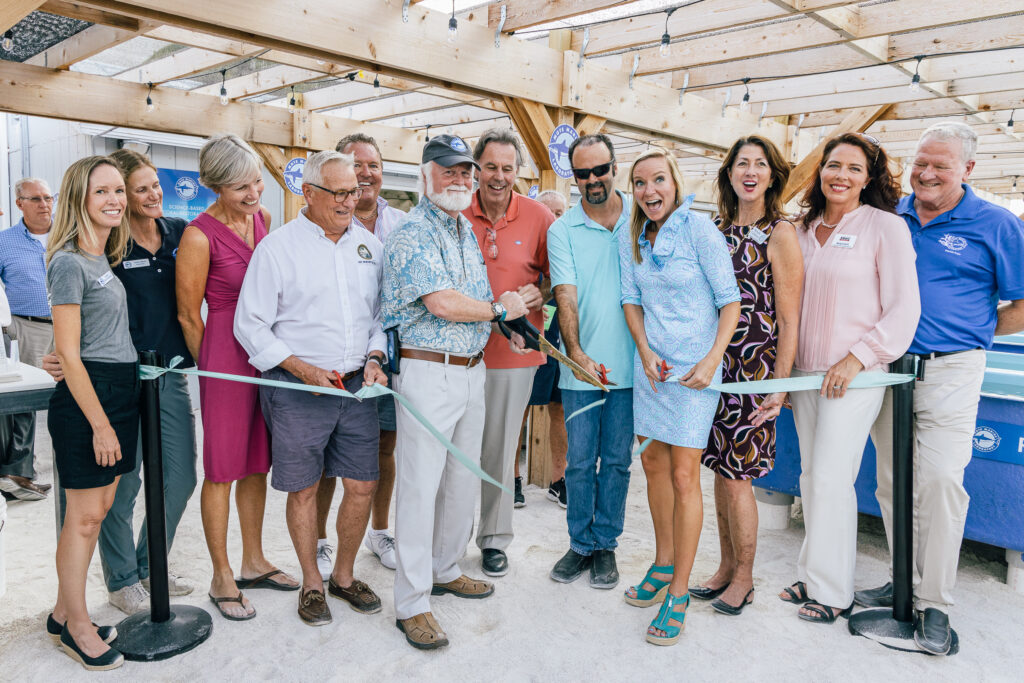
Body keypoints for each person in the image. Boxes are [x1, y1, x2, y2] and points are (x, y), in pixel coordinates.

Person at [856, 122, 1024, 654]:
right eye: (920, 163)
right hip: (888, 367)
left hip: (952, 370)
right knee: (889, 480)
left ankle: (934, 605)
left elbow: (1020, 303)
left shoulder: (997, 224)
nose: (926, 174)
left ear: (968, 170)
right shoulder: (890, 216)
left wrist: (974, 331)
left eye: (941, 166)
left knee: (941, 483)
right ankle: (901, 579)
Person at [382, 134, 528, 650]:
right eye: (448, 171)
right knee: (420, 489)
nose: (461, 179)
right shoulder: (412, 232)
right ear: (425, 175)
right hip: (427, 373)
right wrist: (501, 311)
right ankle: (412, 604)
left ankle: (445, 569)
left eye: (465, 171)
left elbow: (479, 297)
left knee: (461, 481)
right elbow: (443, 303)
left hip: (471, 369)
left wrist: (505, 312)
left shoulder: (464, 228)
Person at [42, 150, 200, 614]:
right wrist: (64, 357)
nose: (151, 195)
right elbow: (80, 315)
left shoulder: (179, 233)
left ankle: (151, 563)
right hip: (118, 379)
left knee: (180, 475)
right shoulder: (106, 247)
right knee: (121, 486)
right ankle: (122, 578)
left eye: (155, 185)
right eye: (137, 189)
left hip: (167, 372)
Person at [235, 150, 389, 626]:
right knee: (302, 489)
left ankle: (343, 577)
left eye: (355, 192)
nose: (350, 201)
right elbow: (251, 326)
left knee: (363, 484)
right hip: (297, 387)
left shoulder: (369, 246)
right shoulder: (278, 248)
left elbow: (383, 315)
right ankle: (312, 583)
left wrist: (377, 356)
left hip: (356, 386)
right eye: (339, 192)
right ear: (309, 192)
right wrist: (303, 369)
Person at [779, 133, 920, 625]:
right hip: (804, 375)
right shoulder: (800, 229)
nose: (841, 175)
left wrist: (858, 358)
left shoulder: (885, 227)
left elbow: (904, 310)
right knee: (812, 478)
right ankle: (813, 574)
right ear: (820, 172)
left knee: (834, 480)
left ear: (870, 178)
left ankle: (834, 593)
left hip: (856, 378)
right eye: (833, 165)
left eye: (854, 169)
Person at [618, 148, 741, 645]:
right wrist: (644, 352)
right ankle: (662, 563)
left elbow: (729, 301)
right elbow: (631, 301)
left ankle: (681, 591)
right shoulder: (633, 238)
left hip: (694, 375)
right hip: (651, 370)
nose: (650, 191)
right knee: (652, 467)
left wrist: (710, 362)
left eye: (658, 180)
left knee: (685, 475)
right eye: (640, 182)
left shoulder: (700, 230)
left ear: (675, 182)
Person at [177, 133, 298, 621]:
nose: (253, 196)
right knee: (222, 467)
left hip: (266, 352)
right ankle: (221, 573)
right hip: (225, 356)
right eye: (239, 188)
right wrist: (214, 370)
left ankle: (253, 559)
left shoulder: (264, 220)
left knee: (256, 462)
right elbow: (189, 316)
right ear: (212, 185)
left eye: (256, 183)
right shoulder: (197, 235)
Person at [688, 136, 803, 616]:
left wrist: (778, 383)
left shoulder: (780, 232)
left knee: (739, 479)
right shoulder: (713, 229)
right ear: (729, 174)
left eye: (760, 164)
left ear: (772, 175)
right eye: (741, 163)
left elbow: (790, 318)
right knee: (718, 471)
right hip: (714, 367)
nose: (750, 171)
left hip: (752, 373)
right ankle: (724, 566)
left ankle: (746, 578)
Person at [45, 155, 138, 670]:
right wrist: (100, 423)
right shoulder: (68, 261)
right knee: (82, 521)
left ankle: (63, 611)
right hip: (89, 399)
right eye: (102, 191)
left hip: (117, 388)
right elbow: (71, 353)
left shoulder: (102, 258)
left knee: (98, 511)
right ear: (80, 196)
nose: (115, 200)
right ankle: (77, 629)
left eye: (118, 190)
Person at [308, 133, 406, 577]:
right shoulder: (316, 226)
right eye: (355, 165)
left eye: (373, 164)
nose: (365, 173)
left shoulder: (402, 224)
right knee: (328, 458)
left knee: (383, 448)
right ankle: (322, 540)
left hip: (384, 356)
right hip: (332, 360)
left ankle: (380, 532)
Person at [546, 134, 635, 590]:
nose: (593, 180)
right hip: (580, 371)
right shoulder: (562, 230)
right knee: (579, 462)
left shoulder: (642, 216)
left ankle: (606, 545)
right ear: (573, 177)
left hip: (634, 370)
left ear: (614, 166)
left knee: (617, 462)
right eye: (583, 174)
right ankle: (580, 544)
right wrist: (576, 354)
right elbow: (566, 294)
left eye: (601, 170)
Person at [465, 128, 553, 577]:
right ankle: (452, 533)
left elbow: (559, 281)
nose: (498, 177)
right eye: (490, 167)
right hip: (457, 351)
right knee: (456, 447)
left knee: (499, 449)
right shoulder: (457, 210)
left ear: (518, 171)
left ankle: (494, 539)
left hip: (514, 354)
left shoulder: (539, 216)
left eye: (507, 168)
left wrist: (541, 293)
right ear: (477, 167)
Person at [0, 177, 56, 501]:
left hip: (70, 325)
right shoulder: (5, 241)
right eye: (35, 198)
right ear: (19, 203)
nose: (44, 204)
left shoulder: (66, 235)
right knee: (25, 403)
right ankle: (19, 474)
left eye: (48, 197)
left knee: (76, 394)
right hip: (27, 327)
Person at [531, 190, 570, 507]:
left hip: (562, 344)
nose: (554, 219)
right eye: (548, 211)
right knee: (519, 410)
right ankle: (512, 480)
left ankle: (560, 480)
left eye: (560, 212)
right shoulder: (529, 250)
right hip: (528, 342)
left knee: (560, 409)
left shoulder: (570, 251)